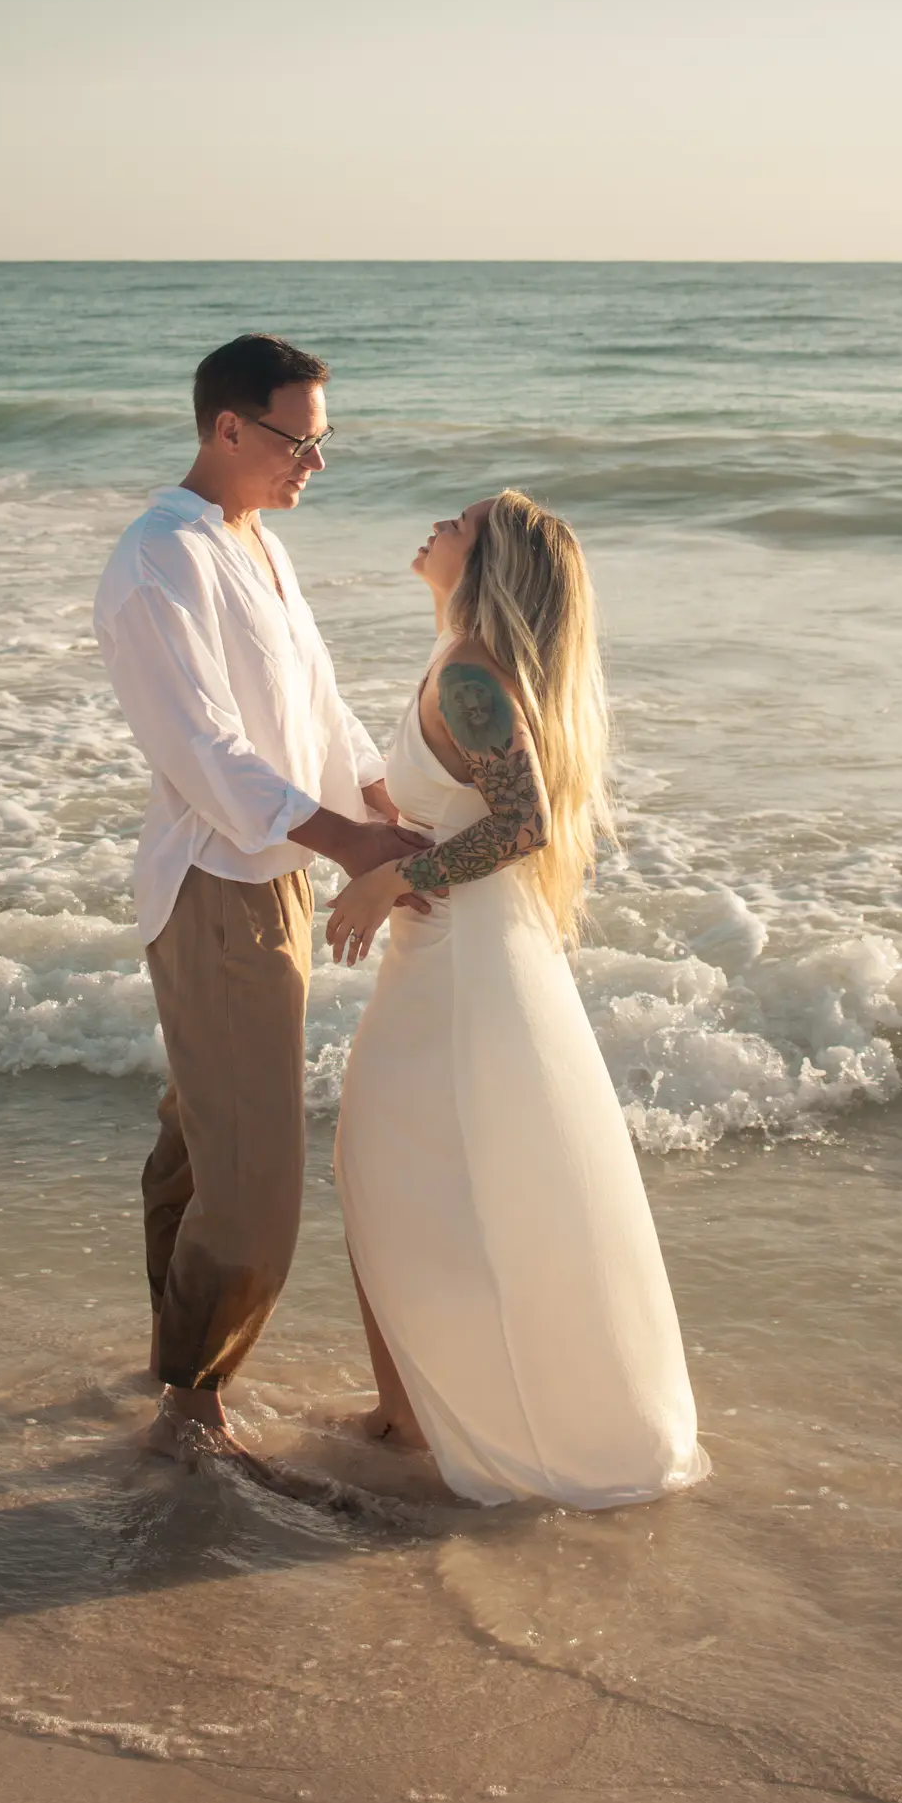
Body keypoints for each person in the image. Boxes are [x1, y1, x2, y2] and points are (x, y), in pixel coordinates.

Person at [327, 491, 709, 1508]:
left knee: (395, 1166)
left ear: (488, 557)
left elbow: (524, 822)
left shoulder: (470, 676)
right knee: (402, 1168)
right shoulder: (459, 664)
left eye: (456, 520)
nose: (433, 526)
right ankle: (406, 1408)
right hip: (455, 956)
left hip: (463, 967)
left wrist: (384, 882)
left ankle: (423, 1415)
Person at [94, 333, 419, 1458]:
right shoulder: (158, 560)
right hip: (217, 883)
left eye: (324, 445)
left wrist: (383, 812)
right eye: (299, 441)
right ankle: (190, 1404)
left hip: (275, 869)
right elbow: (207, 752)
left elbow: (318, 705)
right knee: (257, 1189)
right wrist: (354, 848)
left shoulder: (257, 544)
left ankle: (167, 1363)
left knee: (201, 1142)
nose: (314, 465)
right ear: (227, 428)